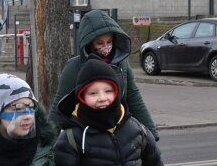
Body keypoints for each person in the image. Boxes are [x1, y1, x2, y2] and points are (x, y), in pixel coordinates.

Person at [51, 9, 158, 140]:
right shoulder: (75, 67)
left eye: (109, 42)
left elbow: (133, 96)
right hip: (88, 135)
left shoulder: (122, 63)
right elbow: (59, 107)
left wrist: (151, 134)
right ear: (90, 43)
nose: (106, 47)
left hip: (120, 132)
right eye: (100, 43)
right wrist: (46, 147)